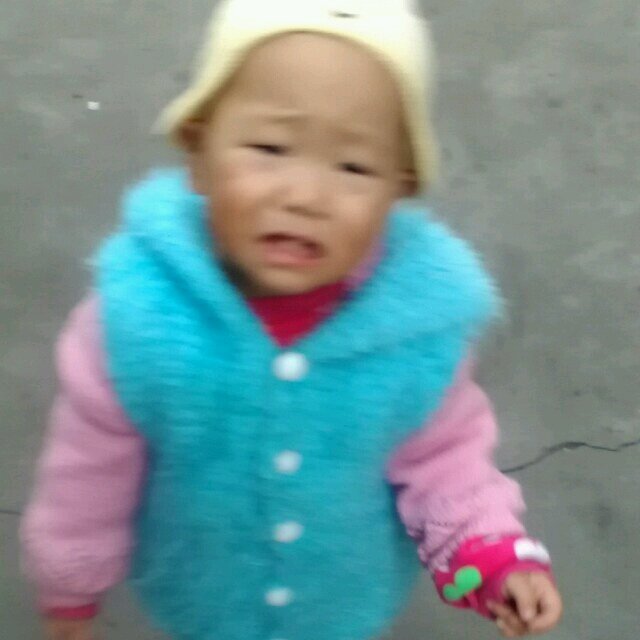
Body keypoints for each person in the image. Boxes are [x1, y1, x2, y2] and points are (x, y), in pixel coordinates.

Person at [21, 1, 563, 639]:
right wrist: (71, 589)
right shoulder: (136, 322)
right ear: (197, 151)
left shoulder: (419, 336)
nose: (306, 196)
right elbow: (86, 475)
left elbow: (447, 463)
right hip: (201, 598)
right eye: (270, 148)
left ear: (400, 187)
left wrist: (494, 557)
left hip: (343, 605)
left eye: (354, 166)